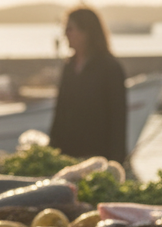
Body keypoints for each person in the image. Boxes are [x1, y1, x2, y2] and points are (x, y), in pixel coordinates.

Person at [49, 6, 129, 163]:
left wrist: (116, 160)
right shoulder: (69, 66)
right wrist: (52, 150)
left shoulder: (110, 67)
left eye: (70, 29)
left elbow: (118, 118)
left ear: (87, 32)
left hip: (98, 155)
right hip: (67, 155)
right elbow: (60, 111)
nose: (65, 34)